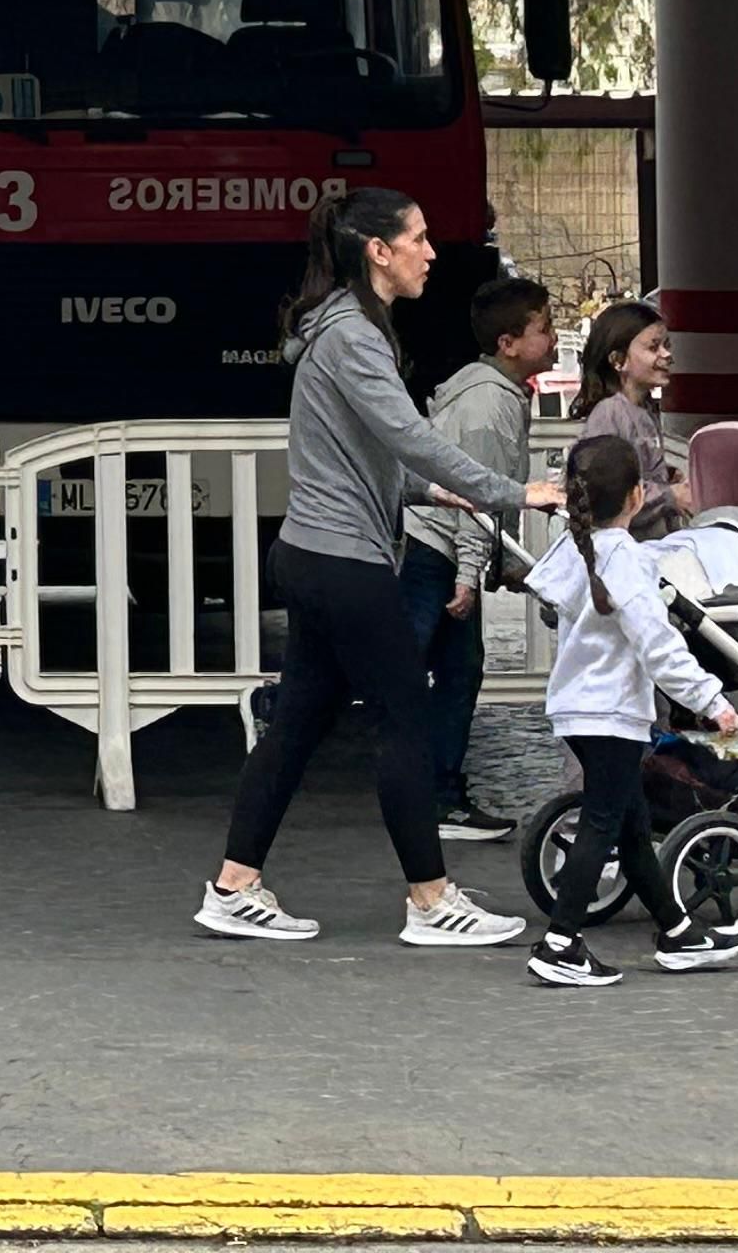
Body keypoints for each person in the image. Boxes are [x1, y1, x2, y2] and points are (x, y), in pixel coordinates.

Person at [202, 187, 560, 951]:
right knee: (405, 721)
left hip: (314, 554)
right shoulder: (354, 335)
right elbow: (410, 436)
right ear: (378, 251)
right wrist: (510, 491)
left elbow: (363, 456)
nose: (431, 253)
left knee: (296, 726)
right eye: (418, 239)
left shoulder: (342, 327)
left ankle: (234, 886)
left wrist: (432, 493)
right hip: (343, 562)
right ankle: (430, 901)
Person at [520, 433, 738, 988]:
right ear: (637, 496)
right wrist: (710, 699)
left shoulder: (578, 548)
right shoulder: (625, 559)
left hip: (577, 709)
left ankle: (677, 931)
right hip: (613, 714)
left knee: (631, 825)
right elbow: (658, 644)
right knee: (603, 824)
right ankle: (560, 943)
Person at [401, 274, 557, 843]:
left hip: (434, 544)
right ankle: (435, 794)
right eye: (544, 328)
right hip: (439, 551)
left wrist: (496, 563)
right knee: (429, 671)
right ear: (508, 343)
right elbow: (477, 496)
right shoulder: (491, 405)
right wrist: (471, 574)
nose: (554, 337)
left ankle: (437, 794)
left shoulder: (490, 392)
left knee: (442, 671)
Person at [569, 299, 683, 536]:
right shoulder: (609, 413)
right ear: (618, 361)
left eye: (667, 345)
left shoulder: (645, 411)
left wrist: (666, 475)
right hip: (623, 547)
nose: (667, 354)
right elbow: (608, 490)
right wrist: (670, 495)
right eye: (653, 347)